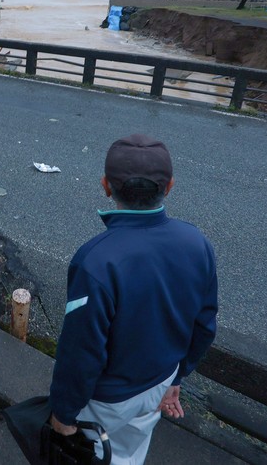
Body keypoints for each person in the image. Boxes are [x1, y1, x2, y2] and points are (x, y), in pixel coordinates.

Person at [49, 133, 218, 463]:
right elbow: (205, 324)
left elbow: (81, 351)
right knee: (131, 451)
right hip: (162, 380)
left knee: (95, 454)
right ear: (169, 187)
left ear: (106, 186)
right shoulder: (197, 243)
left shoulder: (95, 261)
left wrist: (64, 413)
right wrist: (178, 376)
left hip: (108, 398)